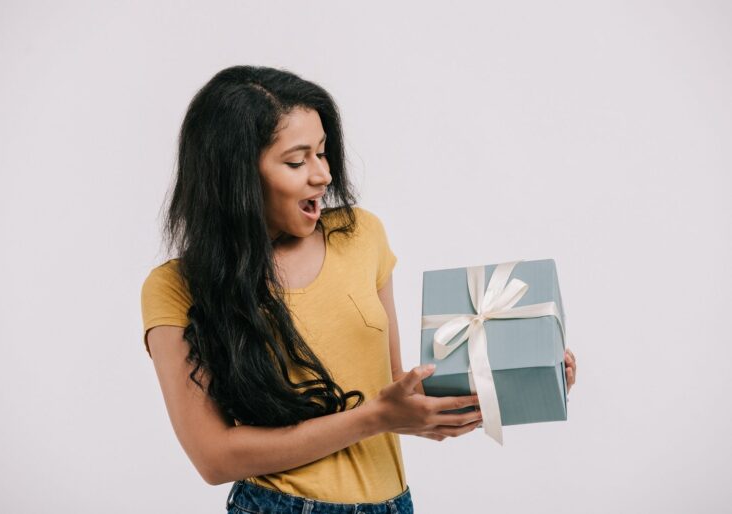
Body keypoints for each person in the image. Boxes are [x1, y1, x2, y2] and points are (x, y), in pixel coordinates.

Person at [140, 65, 577, 514]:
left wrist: (520, 372)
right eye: (296, 160)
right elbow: (214, 459)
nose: (322, 175)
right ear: (234, 178)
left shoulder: (361, 235)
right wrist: (373, 419)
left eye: (322, 153)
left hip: (393, 504)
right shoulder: (176, 287)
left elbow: (394, 393)